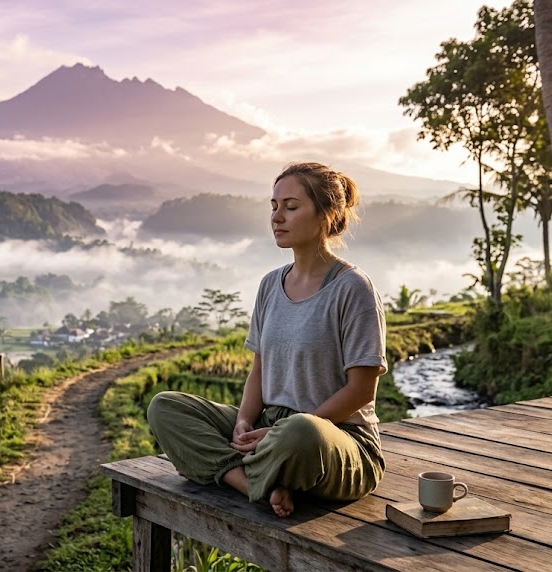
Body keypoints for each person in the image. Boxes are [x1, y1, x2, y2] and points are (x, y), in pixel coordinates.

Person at [147, 161, 387, 517]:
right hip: (269, 427)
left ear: (327, 214)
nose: (277, 217)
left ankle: (232, 471)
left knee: (302, 432)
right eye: (274, 206)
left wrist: (282, 434)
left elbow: (362, 391)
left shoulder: (352, 288)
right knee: (165, 407)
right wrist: (244, 420)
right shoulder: (270, 285)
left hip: (332, 438)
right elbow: (259, 370)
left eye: (291, 207)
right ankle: (256, 485)